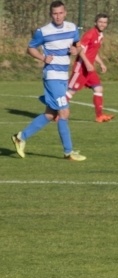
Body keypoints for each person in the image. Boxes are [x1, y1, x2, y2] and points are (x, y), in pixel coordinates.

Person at [11, 1, 84, 161]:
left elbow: (78, 45)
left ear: (65, 13)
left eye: (60, 13)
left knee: (50, 114)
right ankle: (68, 152)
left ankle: (20, 137)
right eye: (54, 13)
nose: (57, 16)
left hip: (63, 76)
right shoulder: (43, 31)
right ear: (51, 14)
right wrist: (43, 57)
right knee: (64, 112)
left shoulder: (72, 27)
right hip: (52, 76)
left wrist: (76, 50)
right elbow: (30, 48)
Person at [67, 13, 114, 123]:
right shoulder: (90, 34)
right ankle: (55, 114)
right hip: (81, 68)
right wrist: (88, 63)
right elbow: (80, 50)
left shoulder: (100, 35)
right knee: (70, 92)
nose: (102, 24)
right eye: (100, 22)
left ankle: (99, 116)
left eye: (105, 22)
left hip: (89, 69)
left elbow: (93, 51)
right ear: (95, 22)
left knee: (98, 89)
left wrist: (101, 63)